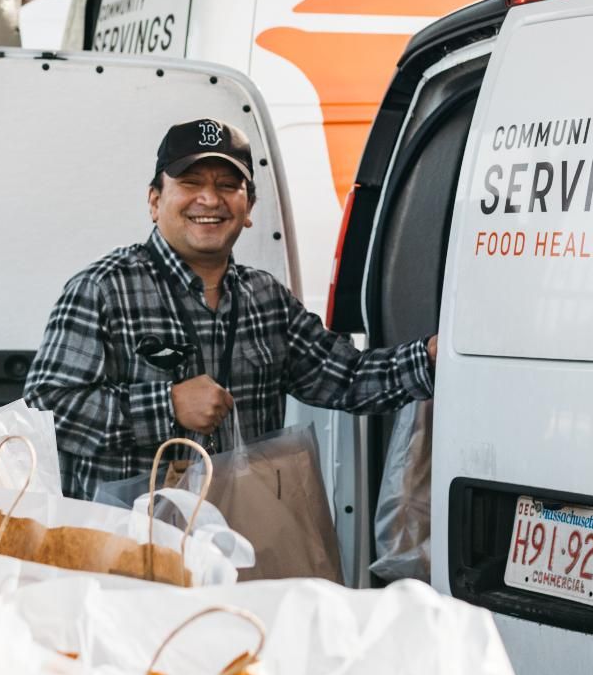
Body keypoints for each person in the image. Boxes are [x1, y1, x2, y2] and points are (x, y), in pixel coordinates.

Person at [25, 118, 435, 499]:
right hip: (127, 539)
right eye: (190, 182)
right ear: (154, 201)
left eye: (227, 185)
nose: (209, 199)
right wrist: (167, 406)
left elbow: (347, 378)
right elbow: (45, 410)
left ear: (249, 207)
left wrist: (433, 357)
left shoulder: (266, 297)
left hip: (239, 530)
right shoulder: (103, 289)